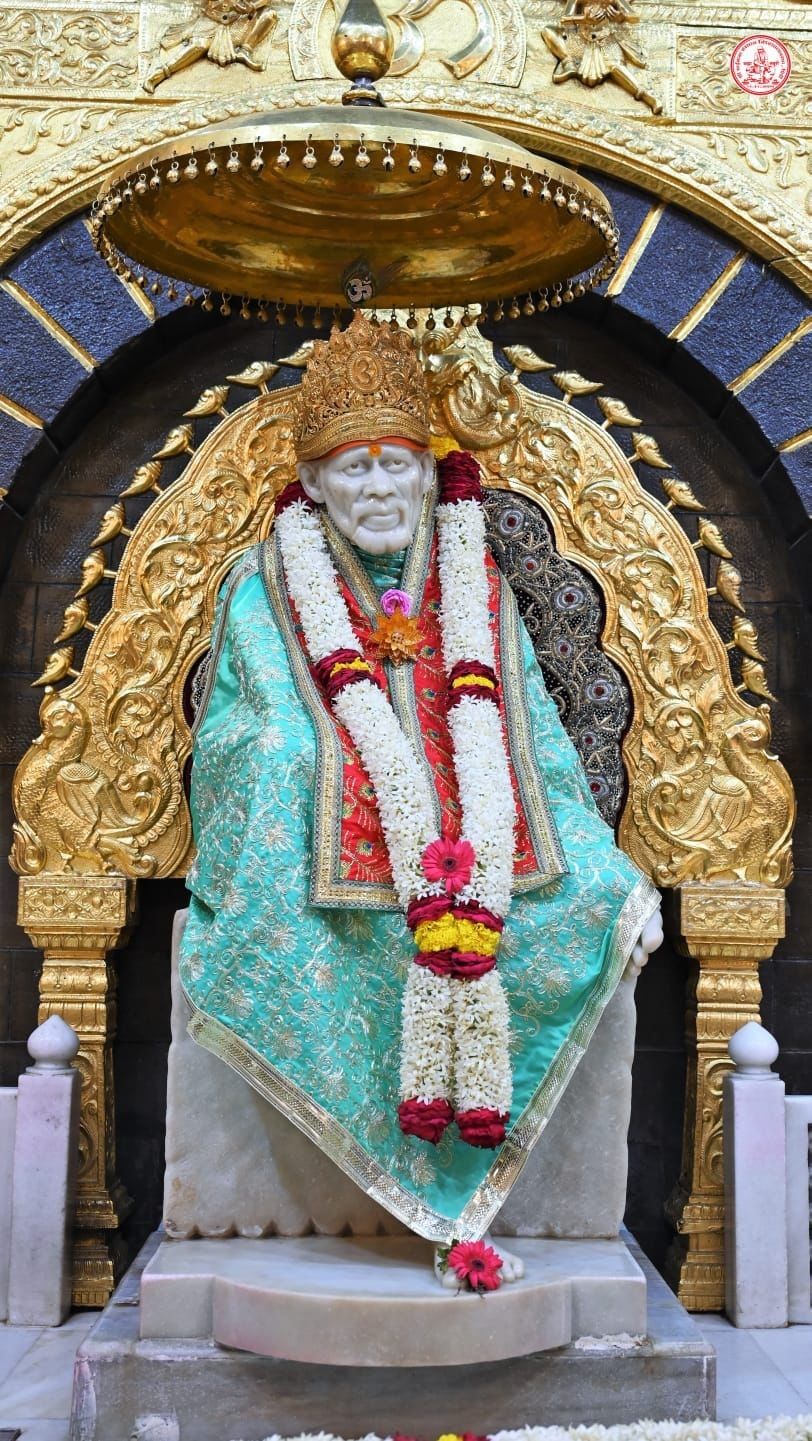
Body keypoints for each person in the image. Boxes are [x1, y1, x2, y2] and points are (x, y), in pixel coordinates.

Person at [179, 312, 662, 1283]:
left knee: (589, 904)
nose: (376, 487)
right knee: (280, 758)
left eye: (394, 464)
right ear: (311, 483)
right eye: (351, 469)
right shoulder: (267, 579)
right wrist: (340, 772)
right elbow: (254, 721)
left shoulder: (472, 577)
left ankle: (466, 1174)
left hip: (482, 855)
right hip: (327, 852)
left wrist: (603, 865)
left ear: (429, 473)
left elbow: (535, 738)